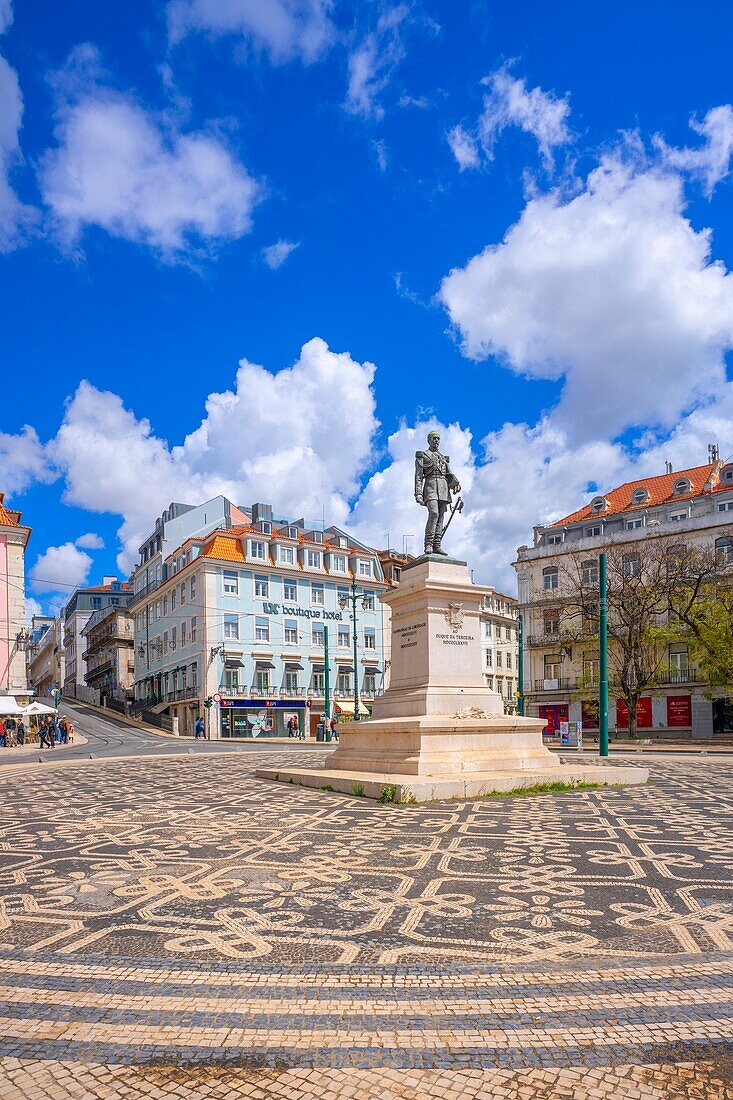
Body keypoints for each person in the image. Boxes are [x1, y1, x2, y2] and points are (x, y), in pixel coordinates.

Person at [414, 430, 462, 556]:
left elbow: (448, 475)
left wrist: (455, 483)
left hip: (443, 488)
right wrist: (418, 493)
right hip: (430, 487)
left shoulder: (442, 457)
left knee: (441, 516)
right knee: (434, 513)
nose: (436, 440)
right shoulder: (423, 455)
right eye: (434, 438)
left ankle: (437, 545)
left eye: (438, 438)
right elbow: (418, 476)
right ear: (429, 440)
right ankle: (428, 544)